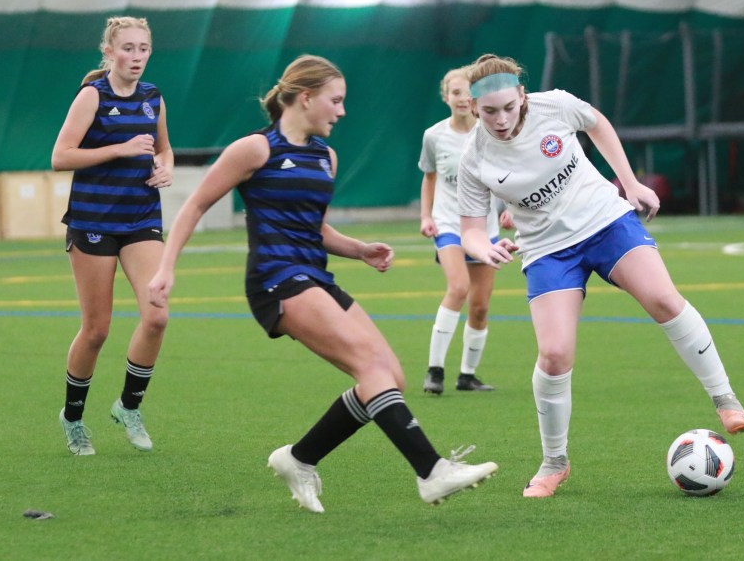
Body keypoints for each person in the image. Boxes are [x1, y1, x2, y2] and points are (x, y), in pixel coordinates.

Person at [146, 54, 497, 513]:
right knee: (371, 369)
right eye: (336, 100)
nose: (342, 111)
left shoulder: (325, 157)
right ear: (306, 97)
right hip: (275, 279)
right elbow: (194, 205)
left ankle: (300, 457)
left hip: (314, 274)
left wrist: (359, 249)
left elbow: (317, 229)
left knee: (390, 377)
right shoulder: (256, 149)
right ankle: (431, 471)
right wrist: (166, 267)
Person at [457, 54, 744, 499]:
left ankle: (725, 400)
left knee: (663, 299)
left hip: (605, 222)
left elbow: (597, 124)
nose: (500, 119)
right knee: (554, 355)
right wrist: (485, 248)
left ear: (522, 95)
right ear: (473, 108)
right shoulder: (474, 156)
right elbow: (470, 231)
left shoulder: (555, 105)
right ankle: (554, 462)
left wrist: (629, 182)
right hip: (547, 251)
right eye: (488, 112)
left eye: (508, 107)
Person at [51, 16, 173, 456]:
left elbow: (164, 147)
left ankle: (128, 406)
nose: (136, 57)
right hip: (94, 222)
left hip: (141, 219)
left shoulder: (153, 97)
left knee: (157, 316)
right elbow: (60, 156)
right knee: (96, 331)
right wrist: (119, 149)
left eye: (143, 48)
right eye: (128, 48)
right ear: (109, 52)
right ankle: (73, 418)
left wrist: (165, 167)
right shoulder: (93, 95)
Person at [418, 67, 513, 394]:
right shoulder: (434, 136)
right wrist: (425, 216)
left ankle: (467, 376)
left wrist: (510, 209)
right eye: (455, 93)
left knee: (480, 306)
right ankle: (435, 371)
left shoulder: (491, 134)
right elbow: (429, 177)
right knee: (458, 288)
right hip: (448, 224)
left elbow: (506, 177)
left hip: (484, 228)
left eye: (467, 93)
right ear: (446, 96)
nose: (461, 99)